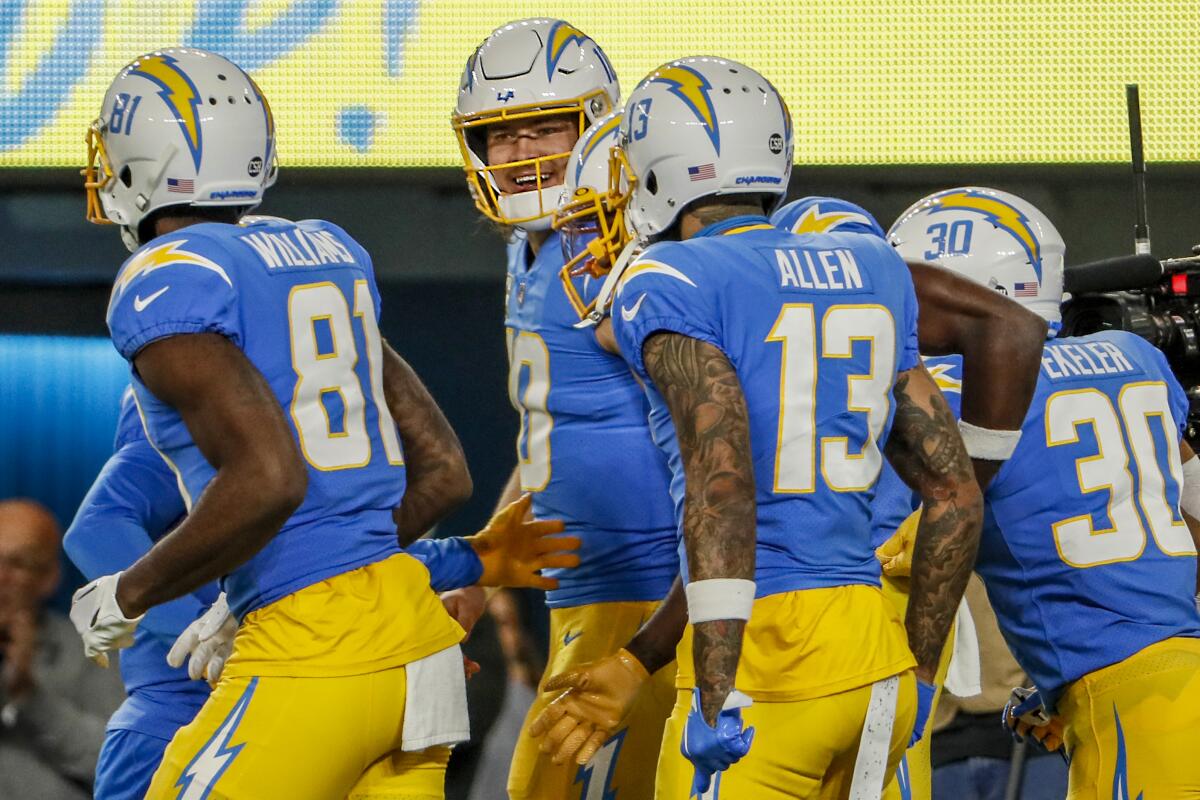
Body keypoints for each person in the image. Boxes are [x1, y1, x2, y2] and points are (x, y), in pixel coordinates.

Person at [71, 46, 555, 799]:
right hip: (419, 658)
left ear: (144, 161)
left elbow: (270, 479)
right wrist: (252, 589)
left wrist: (128, 594)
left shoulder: (165, 280)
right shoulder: (325, 252)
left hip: (314, 654)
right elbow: (444, 471)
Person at [548, 56, 983, 797]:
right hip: (871, 656)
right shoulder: (870, 266)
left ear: (661, 173)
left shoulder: (671, 281)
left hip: (763, 662)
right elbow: (956, 494)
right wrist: (915, 668)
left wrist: (716, 691)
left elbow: (724, 489)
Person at [65, 387, 575, 799]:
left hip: (318, 706)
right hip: (192, 712)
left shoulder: (323, 386)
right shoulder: (204, 374)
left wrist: (402, 615)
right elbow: (97, 528)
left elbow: (331, 555)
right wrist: (209, 629)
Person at [889, 186, 1200, 797]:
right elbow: (1192, 504)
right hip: (1175, 680)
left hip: (1129, 710)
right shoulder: (1135, 354)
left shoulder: (950, 391)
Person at [451, 21, 680, 799]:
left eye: (545, 127)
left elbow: (714, 421)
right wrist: (482, 569)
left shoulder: (615, 248)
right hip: (585, 599)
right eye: (501, 135)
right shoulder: (534, 249)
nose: (522, 154)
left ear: (597, 125)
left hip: (646, 598)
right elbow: (556, 429)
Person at [0, 499, 125, 800]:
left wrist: (29, 696)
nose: (1, 577)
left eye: (19, 564)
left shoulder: (91, 650)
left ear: (49, 578)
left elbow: (116, 765)